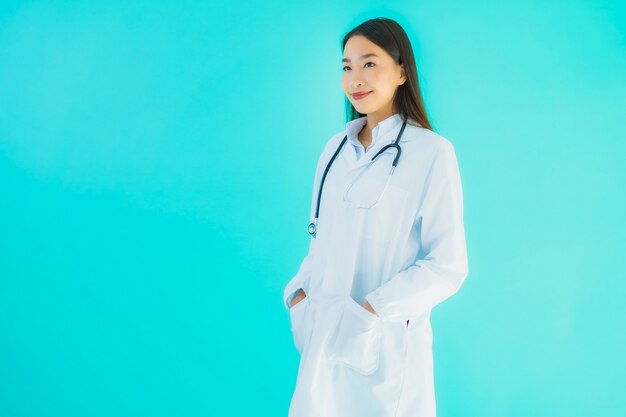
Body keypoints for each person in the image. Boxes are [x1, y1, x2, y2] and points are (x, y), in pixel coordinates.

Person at [282, 17, 469, 417]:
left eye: (369, 63)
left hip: (385, 351)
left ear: (402, 71)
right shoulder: (335, 150)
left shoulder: (432, 153)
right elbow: (320, 241)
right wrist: (299, 296)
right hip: (321, 343)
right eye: (347, 66)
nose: (356, 78)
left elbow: (447, 266)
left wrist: (372, 311)